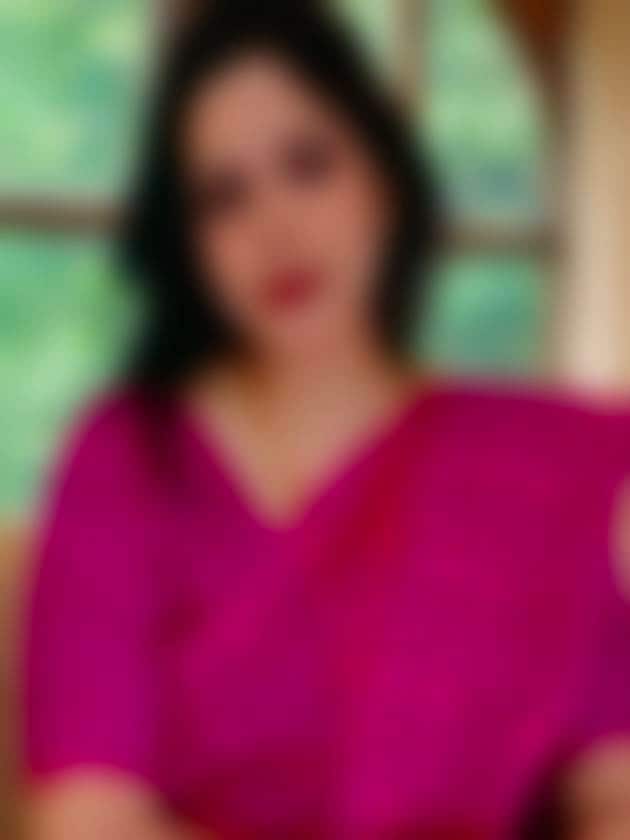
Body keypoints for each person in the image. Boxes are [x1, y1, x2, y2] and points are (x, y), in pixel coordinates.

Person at [19, 2, 630, 838]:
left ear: (384, 178)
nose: (277, 227)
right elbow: (86, 814)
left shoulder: (537, 477)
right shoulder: (127, 459)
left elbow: (612, 780)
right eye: (224, 197)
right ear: (188, 245)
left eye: (307, 165)